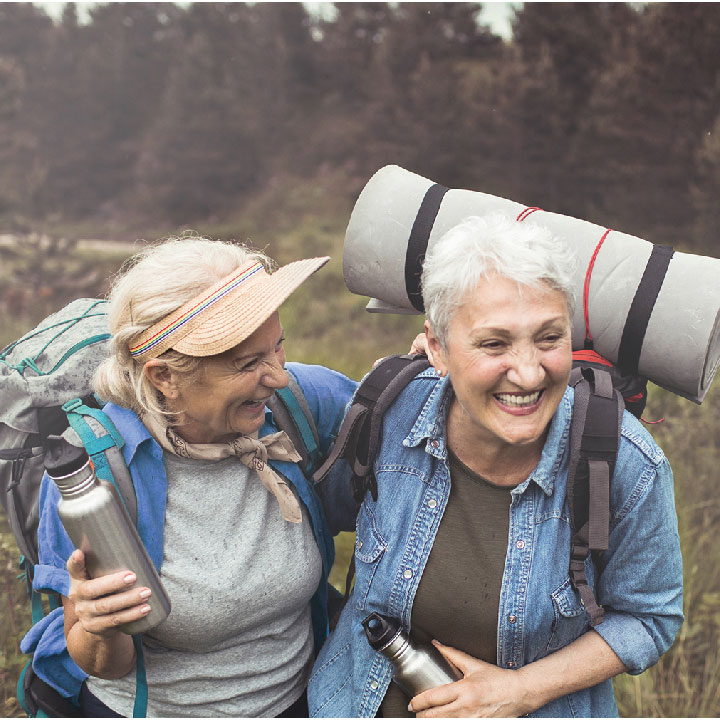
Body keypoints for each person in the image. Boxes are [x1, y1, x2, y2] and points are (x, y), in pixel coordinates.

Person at [308, 214, 684, 718]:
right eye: (494, 343)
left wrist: (523, 689)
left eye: (549, 338)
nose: (528, 372)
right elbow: (315, 524)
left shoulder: (624, 464)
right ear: (437, 348)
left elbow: (649, 615)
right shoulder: (387, 417)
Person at [26, 237, 363, 717]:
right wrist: (98, 626)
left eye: (278, 346)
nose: (278, 376)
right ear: (164, 376)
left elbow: (420, 418)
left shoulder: (295, 406)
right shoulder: (95, 474)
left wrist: (438, 362)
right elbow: (103, 664)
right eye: (248, 363)